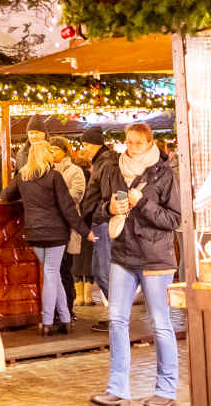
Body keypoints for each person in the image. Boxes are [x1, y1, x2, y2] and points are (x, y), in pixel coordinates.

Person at [91, 122, 180, 406]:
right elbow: (95, 208)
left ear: (150, 143)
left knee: (160, 323)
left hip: (156, 259)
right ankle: (118, 388)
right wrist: (109, 209)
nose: (131, 147)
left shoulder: (164, 174)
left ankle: (166, 389)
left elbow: (174, 219)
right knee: (117, 320)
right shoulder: (114, 170)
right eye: (128, 142)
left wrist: (143, 204)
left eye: (138, 143)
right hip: (123, 255)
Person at [3, 138, 78, 337]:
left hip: (34, 233)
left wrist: (26, 197)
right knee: (52, 274)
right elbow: (67, 205)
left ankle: (65, 319)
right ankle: (47, 322)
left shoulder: (22, 176)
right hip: (55, 233)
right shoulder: (54, 176)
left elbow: (5, 196)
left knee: (52, 274)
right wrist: (82, 228)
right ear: (46, 155)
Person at [79, 129, 121, 318]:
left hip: (103, 223)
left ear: (95, 144)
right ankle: (117, 312)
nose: (83, 149)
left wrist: (98, 213)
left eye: (86, 145)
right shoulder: (101, 162)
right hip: (99, 222)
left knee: (103, 271)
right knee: (99, 269)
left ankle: (118, 314)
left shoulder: (107, 163)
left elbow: (109, 195)